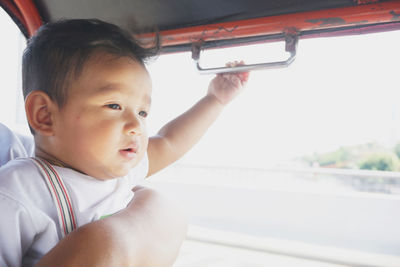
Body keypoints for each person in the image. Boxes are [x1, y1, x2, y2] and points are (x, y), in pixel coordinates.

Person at [0, 19, 248, 266]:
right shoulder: (17, 191)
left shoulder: (118, 173)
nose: (136, 126)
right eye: (114, 105)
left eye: (142, 112)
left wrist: (215, 100)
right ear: (44, 115)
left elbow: (169, 142)